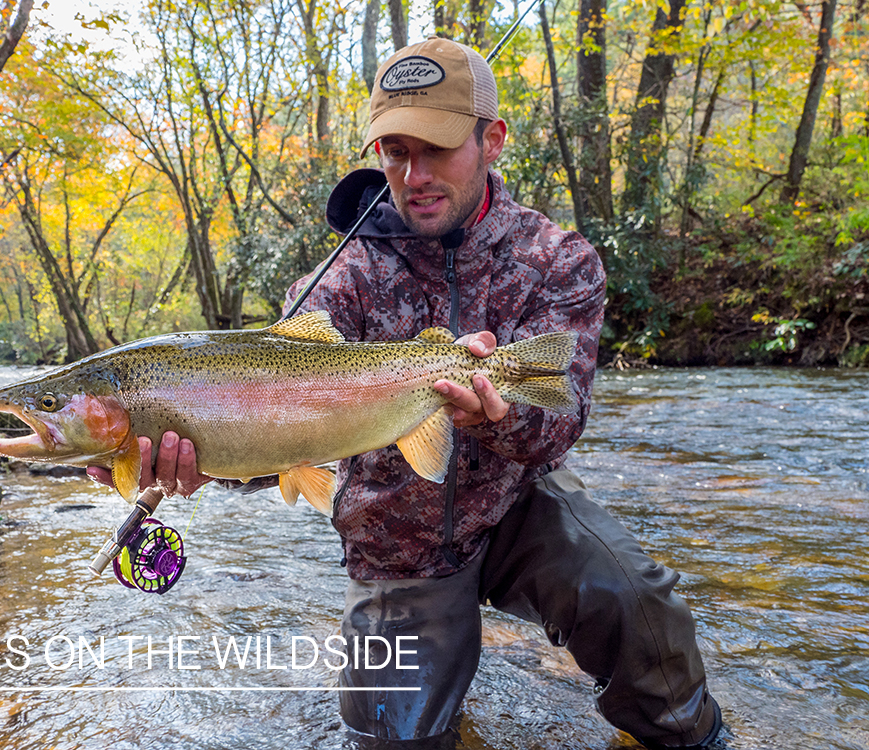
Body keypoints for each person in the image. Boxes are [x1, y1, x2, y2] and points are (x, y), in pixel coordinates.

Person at [90, 37, 724, 750]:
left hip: (518, 505)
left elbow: (560, 422)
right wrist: (209, 455)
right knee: (394, 740)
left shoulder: (556, 260)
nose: (411, 173)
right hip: (395, 539)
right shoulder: (335, 285)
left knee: (636, 606)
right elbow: (284, 446)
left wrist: (500, 412)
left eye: (434, 148)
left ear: (492, 140)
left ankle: (695, 741)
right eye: (393, 150)